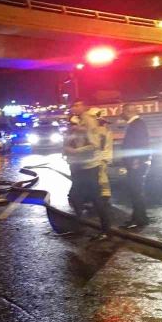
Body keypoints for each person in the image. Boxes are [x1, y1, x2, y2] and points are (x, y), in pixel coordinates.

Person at [63, 100, 110, 240]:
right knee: (76, 196)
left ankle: (105, 231)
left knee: (96, 198)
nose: (73, 108)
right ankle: (80, 227)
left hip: (89, 166)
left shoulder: (88, 120)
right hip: (80, 165)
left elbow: (94, 145)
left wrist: (74, 151)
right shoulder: (79, 120)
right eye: (73, 105)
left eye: (77, 105)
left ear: (84, 106)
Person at [120, 104, 150, 228]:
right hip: (134, 163)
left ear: (128, 112)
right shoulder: (136, 124)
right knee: (135, 192)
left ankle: (140, 219)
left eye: (123, 111)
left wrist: (137, 160)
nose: (121, 113)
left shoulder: (137, 124)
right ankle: (137, 218)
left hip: (136, 164)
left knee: (136, 192)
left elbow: (141, 143)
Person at [91, 108, 113, 206]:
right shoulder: (106, 130)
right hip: (104, 157)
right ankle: (105, 196)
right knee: (103, 176)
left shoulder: (99, 131)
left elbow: (97, 145)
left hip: (98, 157)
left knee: (99, 177)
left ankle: (101, 198)